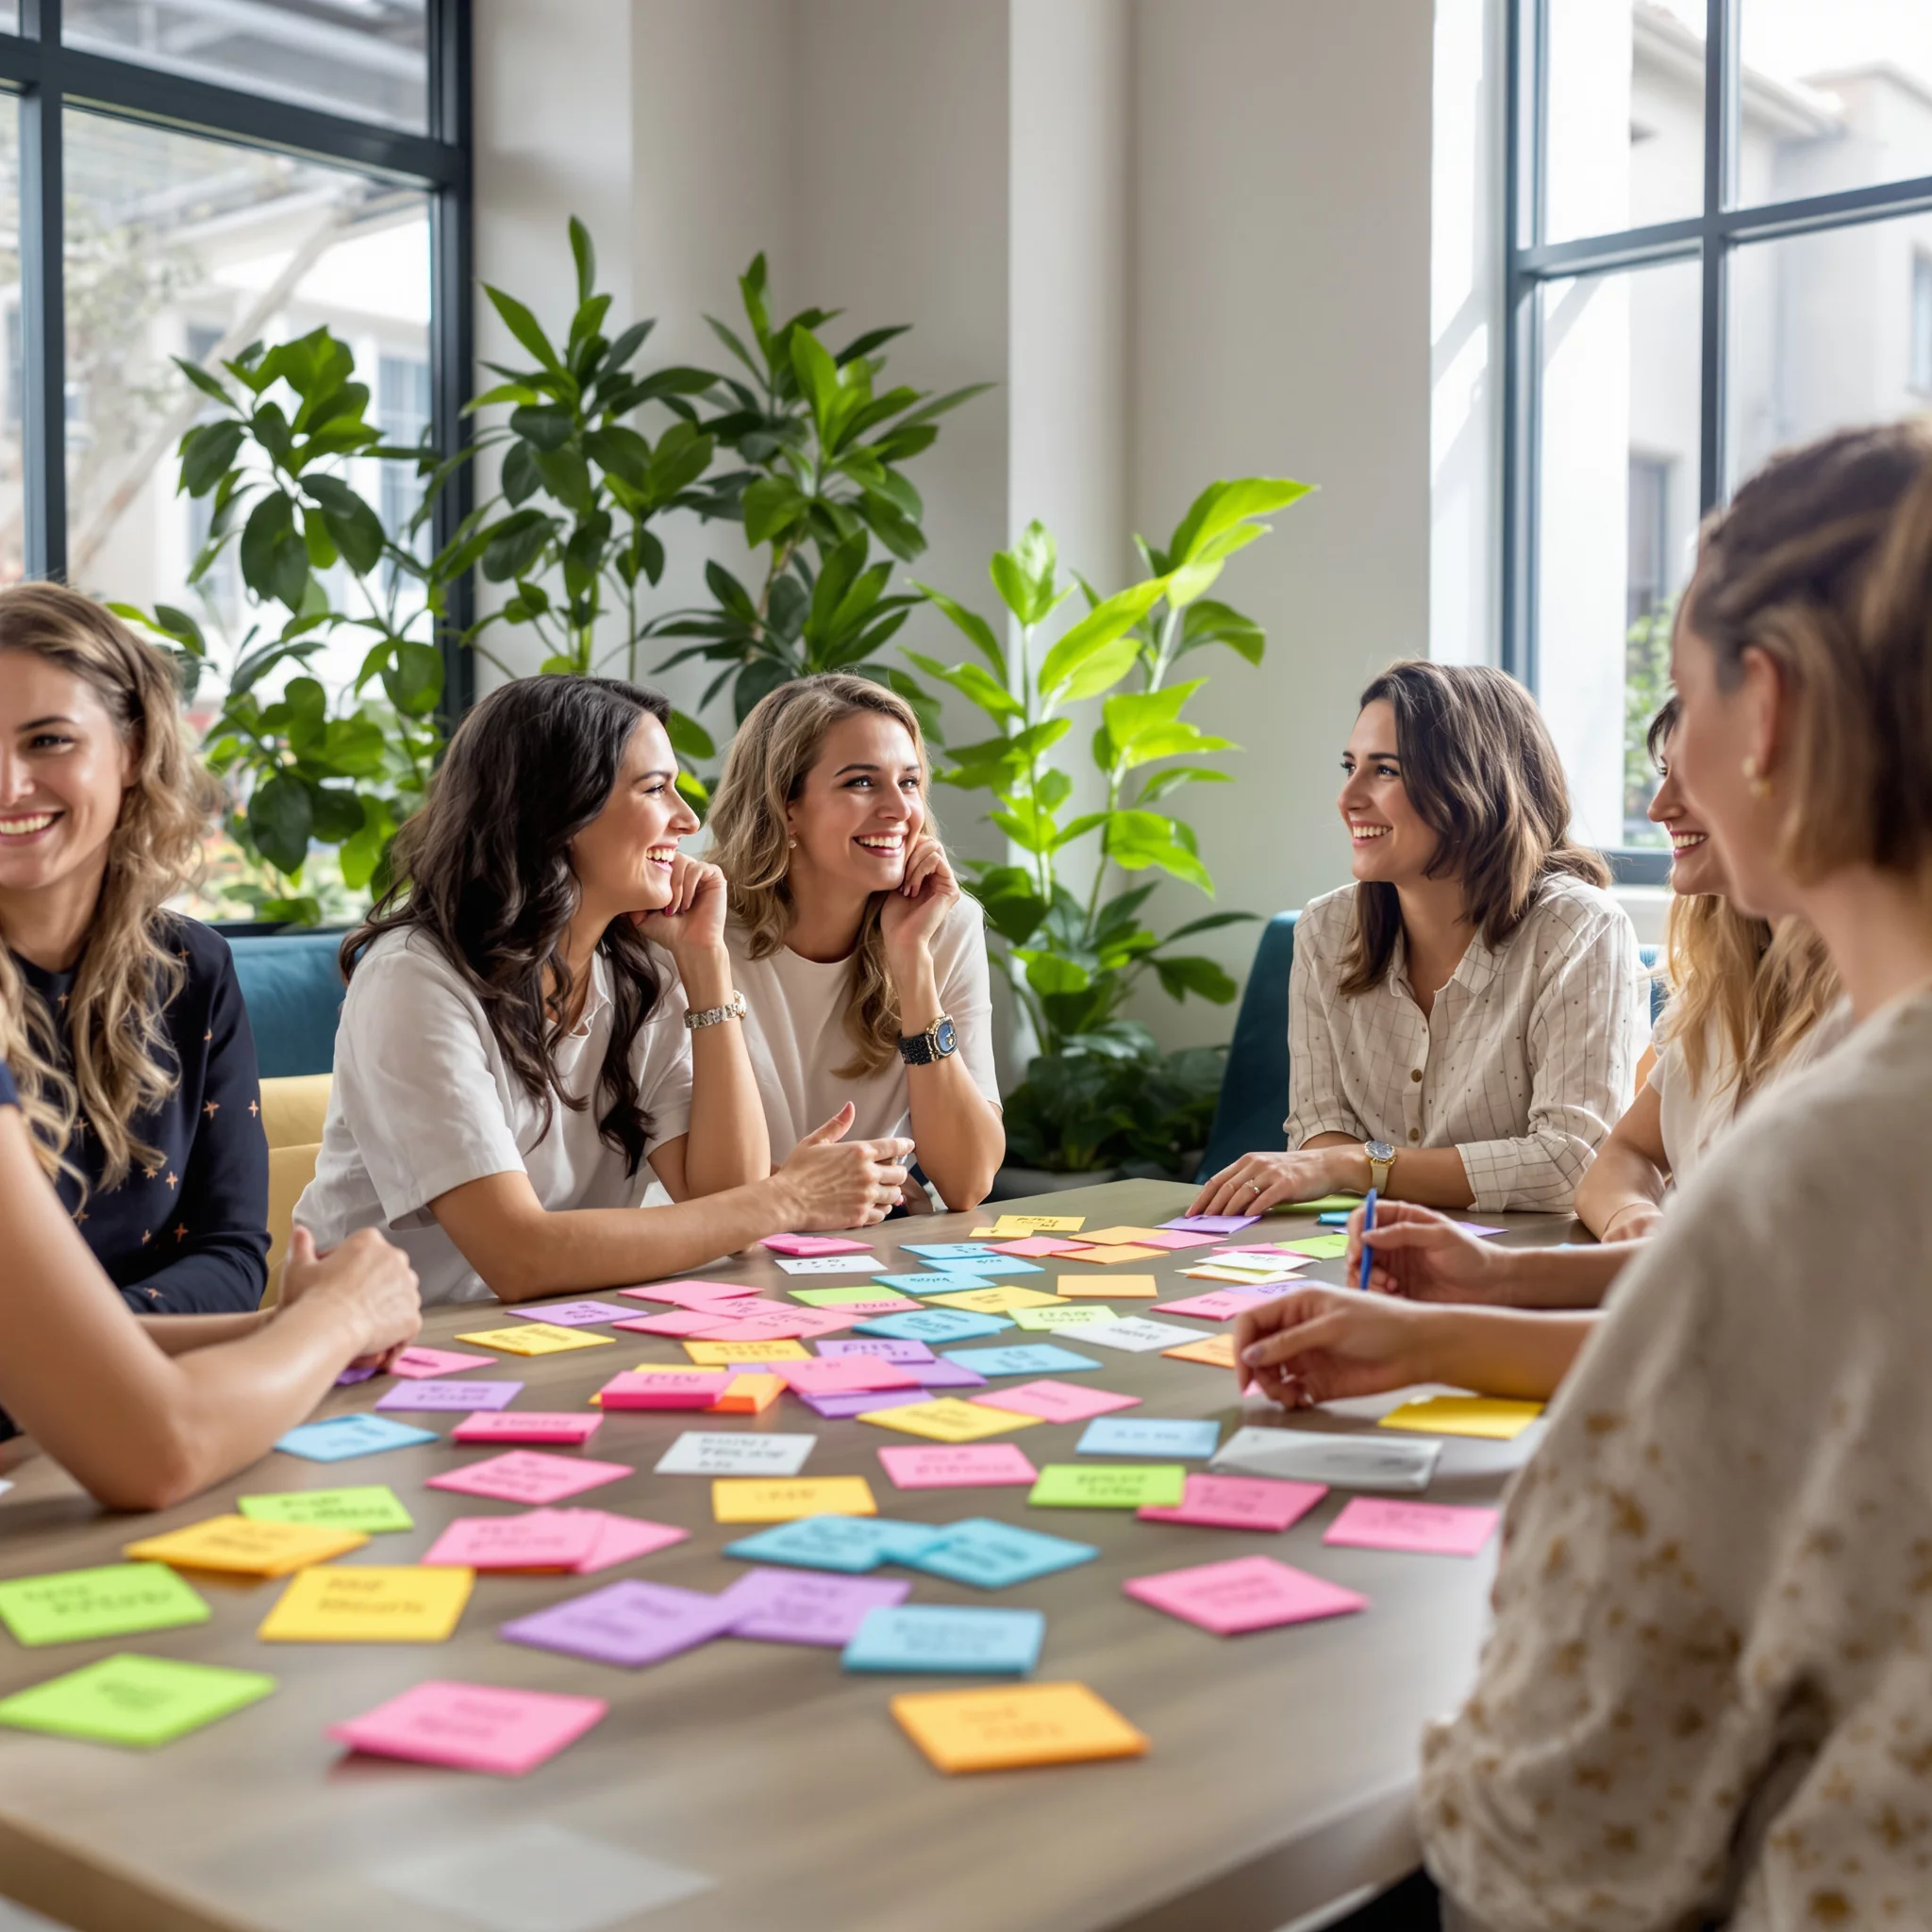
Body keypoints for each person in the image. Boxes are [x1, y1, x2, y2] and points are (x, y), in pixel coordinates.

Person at [1271, 421, 1932, 1924]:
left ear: (1763, 708)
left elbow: (1557, 1815)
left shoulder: (1827, 1153)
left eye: (1682, 703)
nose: (1656, 794)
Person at [296, 675, 909, 1305]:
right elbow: (518, 1257)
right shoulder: (413, 980)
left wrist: (706, 967)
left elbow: (727, 1205)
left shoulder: (640, 970)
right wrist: (788, 1198)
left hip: (556, 1334)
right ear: (558, 814)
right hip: (393, 1349)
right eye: (654, 789)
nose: (687, 818)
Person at [1310, 698, 1850, 1331]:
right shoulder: (1721, 990)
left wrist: (1450, 1322)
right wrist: (1627, 1225)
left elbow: (1760, 1297)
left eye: (1696, 775)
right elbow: (1622, 1158)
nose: (1658, 809)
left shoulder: (1866, 1015)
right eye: (1663, 775)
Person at [1191, 660, 1641, 1219]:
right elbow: (1316, 1131)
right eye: (1349, 766)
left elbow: (1570, 1163)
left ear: (1471, 783)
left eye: (1385, 771)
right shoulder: (1324, 930)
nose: (1347, 797)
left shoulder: (1580, 928)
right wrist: (1348, 1165)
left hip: (1528, 1271)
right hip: (1362, 1251)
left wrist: (1360, 1166)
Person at [0, 992, 421, 1511]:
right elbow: (160, 1451)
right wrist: (338, 1315)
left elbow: (34, 1344)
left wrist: (278, 1328)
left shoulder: (192, 967)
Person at [0, 584, 269, 1317]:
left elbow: (233, 1255)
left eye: (47, 740)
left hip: (131, 1405)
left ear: (133, 750)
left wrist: (105, 1355)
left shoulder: (193, 969)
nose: (8, 784)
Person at [705, 674, 1003, 1212]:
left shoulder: (945, 923)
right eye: (861, 782)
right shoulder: (700, 931)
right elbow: (696, 1182)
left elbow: (968, 1181)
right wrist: (812, 1194)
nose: (899, 809)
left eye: (909, 782)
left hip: (872, 1248)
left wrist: (912, 962)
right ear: (786, 807)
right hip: (715, 1256)